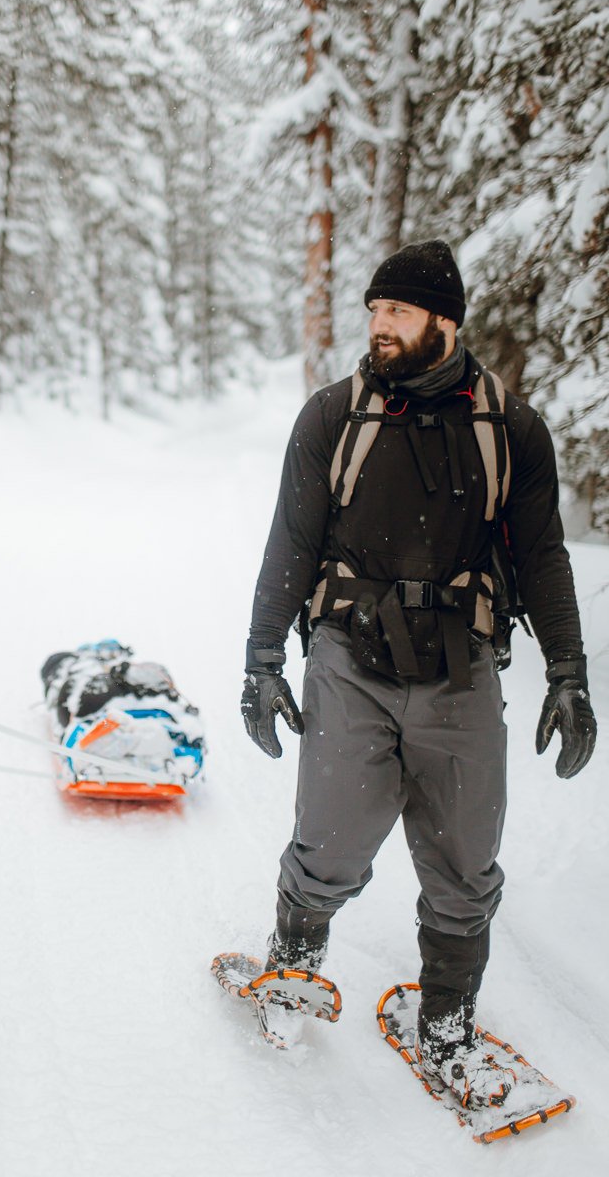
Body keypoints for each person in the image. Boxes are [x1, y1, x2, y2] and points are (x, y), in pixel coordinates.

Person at [241, 241, 597, 1107]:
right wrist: (262, 658)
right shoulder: (335, 416)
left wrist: (568, 671)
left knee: (466, 859)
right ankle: (294, 961)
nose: (379, 327)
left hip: (462, 664)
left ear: (445, 320)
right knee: (329, 839)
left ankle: (446, 1020)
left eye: (396, 311)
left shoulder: (510, 428)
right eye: (374, 311)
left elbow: (543, 556)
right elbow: (292, 541)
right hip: (349, 654)